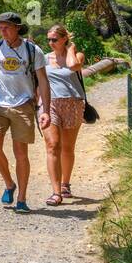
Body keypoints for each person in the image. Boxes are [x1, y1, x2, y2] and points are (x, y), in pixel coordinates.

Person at [0, 11, 51, 213]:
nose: (2, 31)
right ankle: (9, 183)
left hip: (23, 105)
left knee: (20, 153)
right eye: (0, 27)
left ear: (17, 28)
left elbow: (44, 81)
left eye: (6, 27)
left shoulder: (32, 50)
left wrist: (45, 110)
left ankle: (21, 198)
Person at [41, 23, 87, 205]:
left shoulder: (77, 56)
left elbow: (73, 65)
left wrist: (71, 48)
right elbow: (39, 82)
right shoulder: (43, 59)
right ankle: (55, 192)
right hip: (51, 103)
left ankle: (65, 184)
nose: (51, 43)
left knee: (68, 148)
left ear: (64, 39)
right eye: (49, 40)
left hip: (73, 103)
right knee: (53, 145)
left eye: (54, 39)